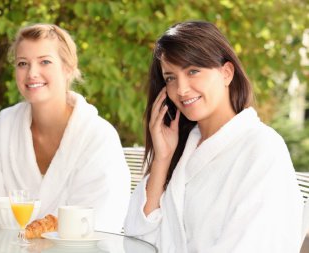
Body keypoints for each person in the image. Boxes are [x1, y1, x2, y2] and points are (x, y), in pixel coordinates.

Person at [124, 21, 303, 252]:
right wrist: (162, 159)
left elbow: (255, 243)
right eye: (170, 78)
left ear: (226, 73)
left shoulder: (262, 149)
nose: (181, 89)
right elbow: (137, 239)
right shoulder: (183, 148)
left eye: (193, 71)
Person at [0, 23, 131, 233]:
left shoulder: (98, 137)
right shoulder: (3, 127)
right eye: (22, 63)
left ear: (68, 68)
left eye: (45, 61)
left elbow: (102, 220)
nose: (32, 73)